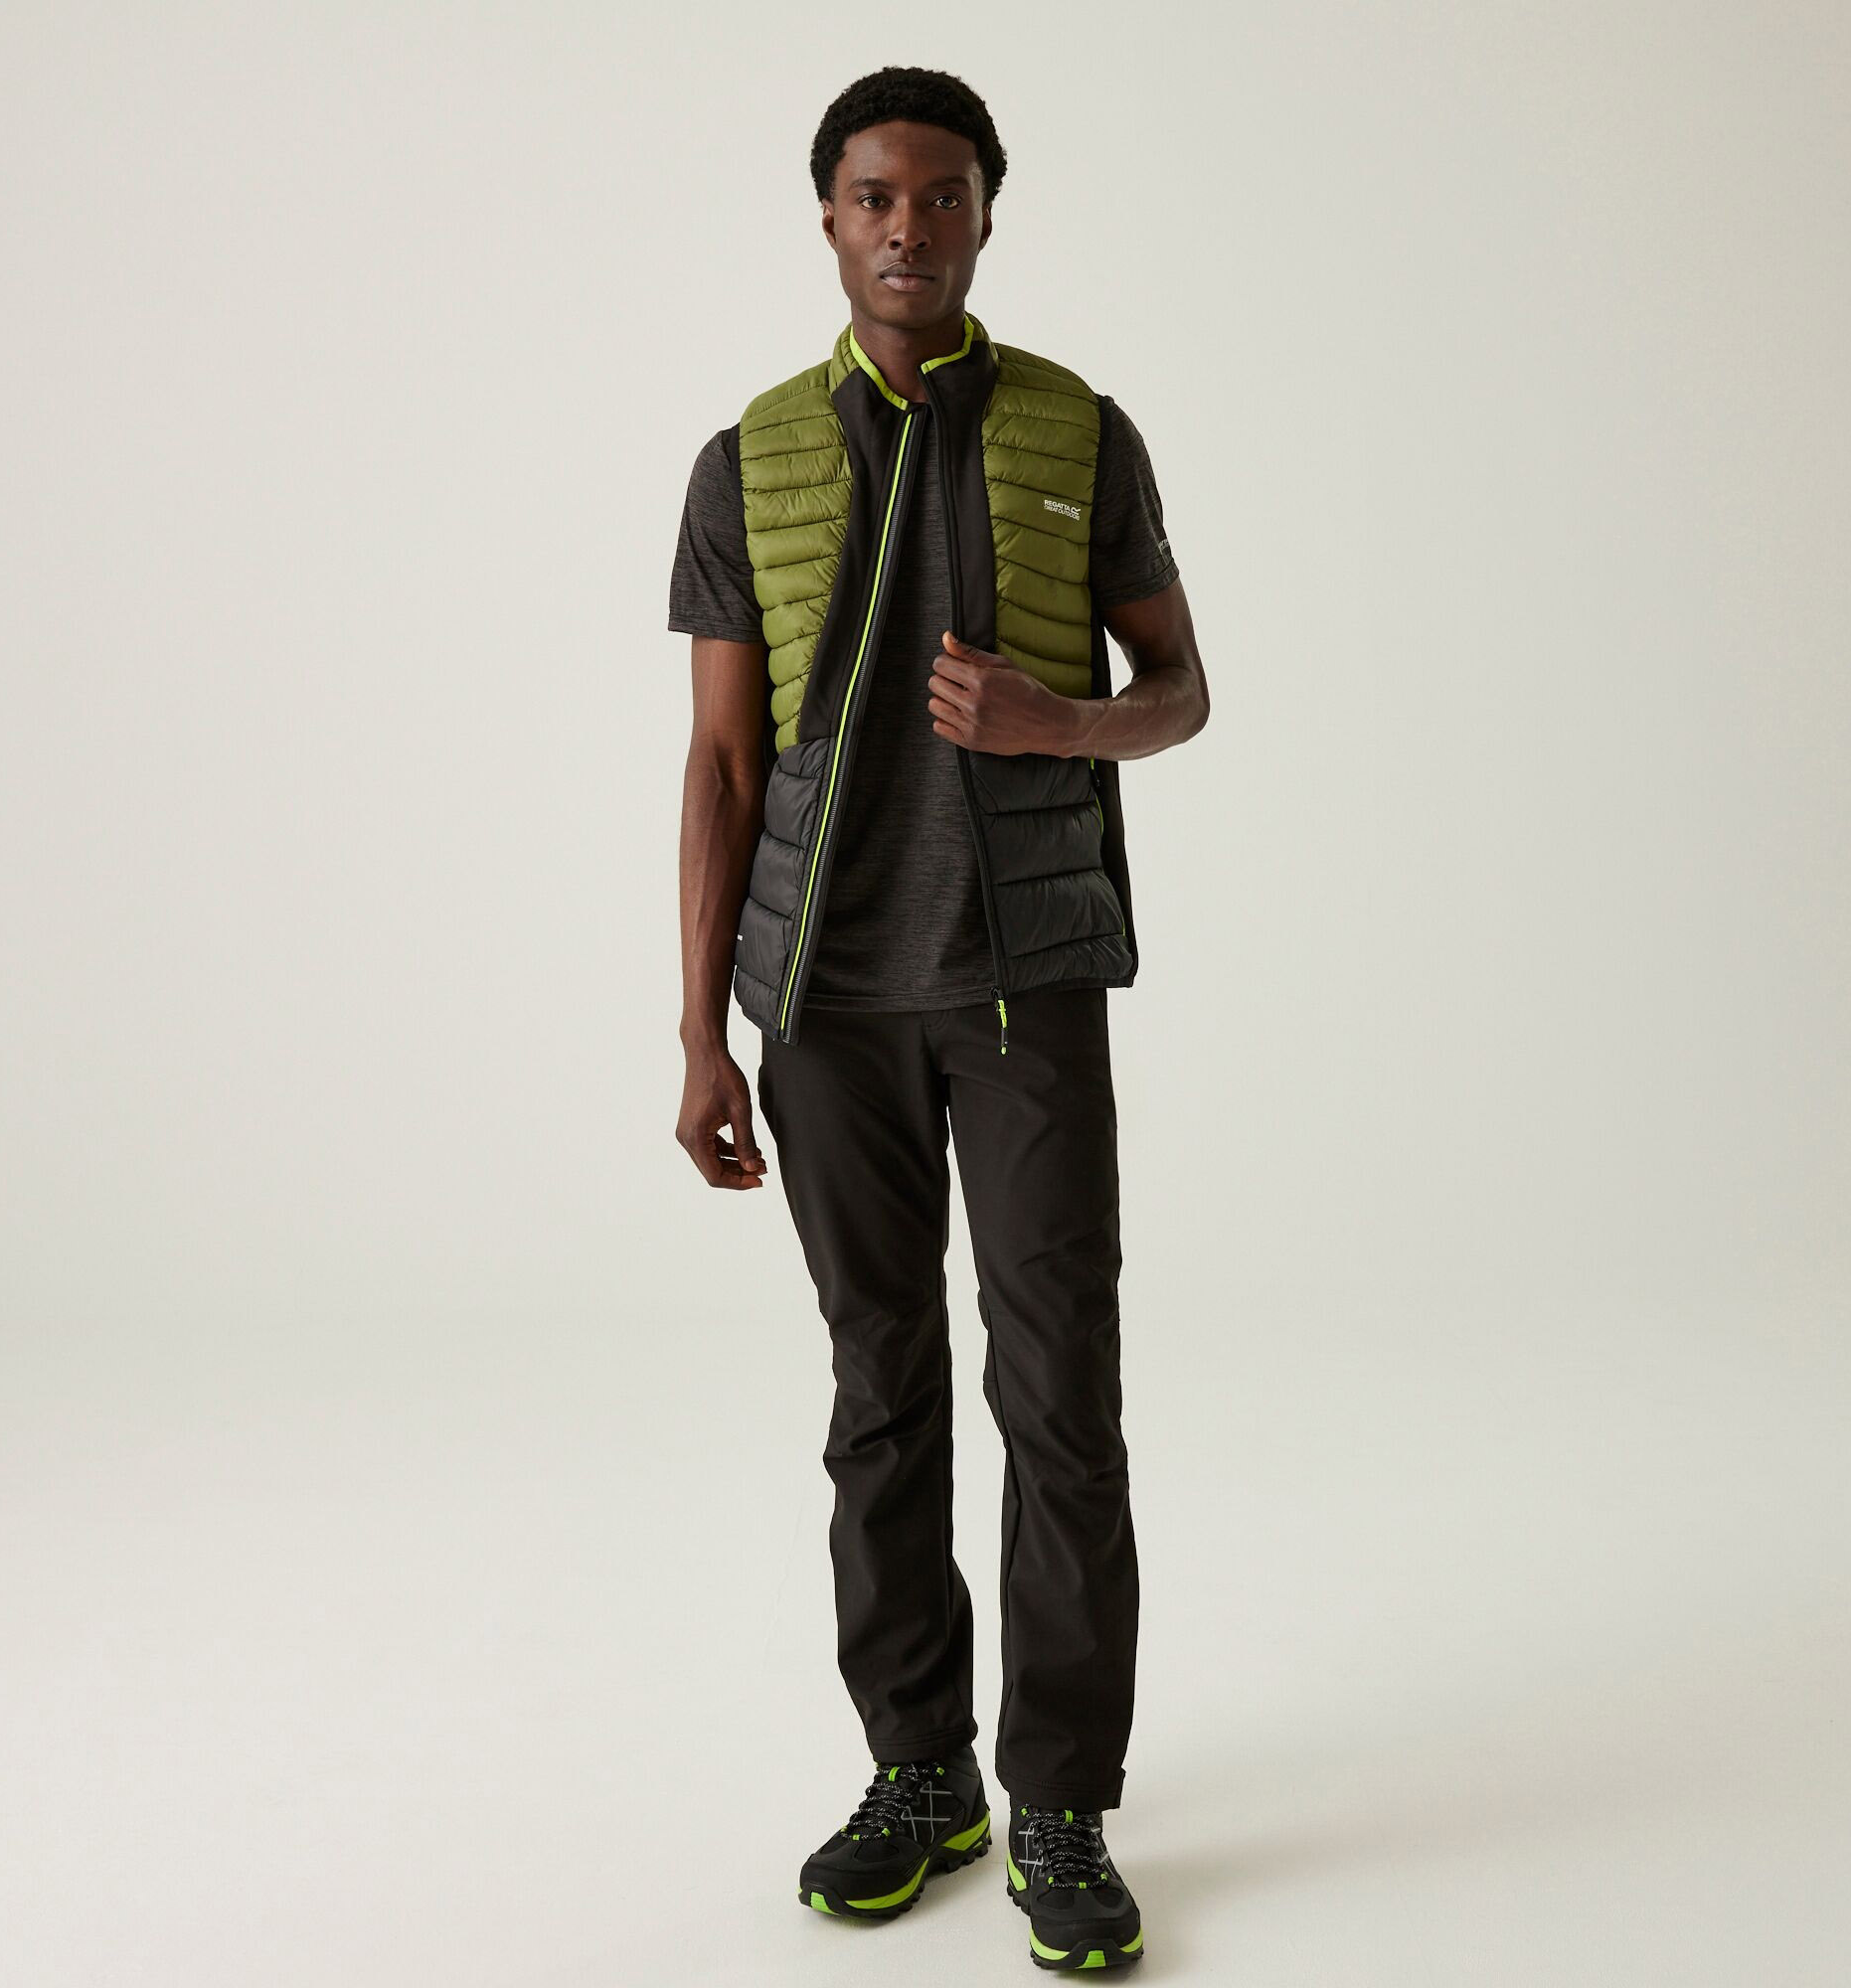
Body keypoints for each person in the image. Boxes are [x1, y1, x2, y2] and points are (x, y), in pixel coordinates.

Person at [670, 64, 1209, 1972]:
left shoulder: (1078, 430)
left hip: (1023, 986)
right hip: (822, 1005)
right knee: (879, 1395)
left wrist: (1064, 722)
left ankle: (1060, 1797)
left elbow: (1182, 689)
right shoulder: (748, 458)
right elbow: (721, 762)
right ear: (829, 218)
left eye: (944, 195)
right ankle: (922, 1775)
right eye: (877, 198)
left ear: (987, 213)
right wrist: (698, 1033)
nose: (911, 228)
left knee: (1061, 1393)